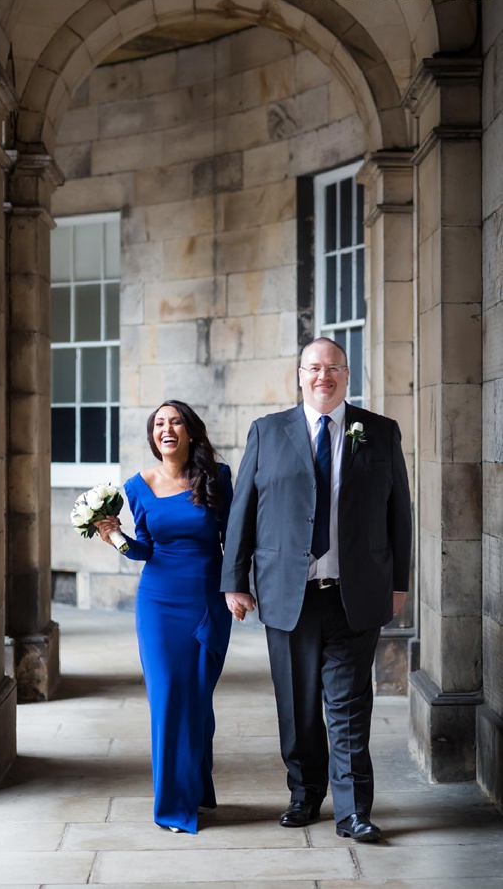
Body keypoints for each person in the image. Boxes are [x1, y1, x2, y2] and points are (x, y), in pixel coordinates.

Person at [221, 337, 412, 842]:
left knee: (349, 707)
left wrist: (399, 584)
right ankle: (305, 795)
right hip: (290, 594)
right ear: (299, 375)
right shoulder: (267, 432)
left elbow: (399, 516)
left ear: (347, 375)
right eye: (313, 368)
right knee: (298, 706)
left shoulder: (379, 432)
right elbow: (242, 511)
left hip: (356, 595)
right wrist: (234, 582)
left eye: (333, 368)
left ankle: (353, 811)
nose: (322, 376)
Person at [96, 400, 233, 835]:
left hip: (208, 601)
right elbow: (146, 549)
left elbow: (235, 538)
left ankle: (198, 790)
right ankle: (173, 807)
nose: (166, 428)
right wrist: (115, 536)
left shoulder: (217, 477)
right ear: (153, 436)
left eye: (175, 421)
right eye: (159, 423)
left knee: (198, 701)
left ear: (190, 432)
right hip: (157, 605)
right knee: (169, 701)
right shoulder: (137, 486)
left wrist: (239, 589)